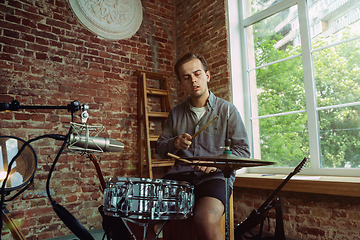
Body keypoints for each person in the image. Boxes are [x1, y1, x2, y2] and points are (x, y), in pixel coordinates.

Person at [156, 53, 250, 240]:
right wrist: (174, 143)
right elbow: (159, 149)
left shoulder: (227, 110)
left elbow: (244, 152)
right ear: (182, 83)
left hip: (215, 178)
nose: (193, 80)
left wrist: (216, 163)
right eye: (186, 77)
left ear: (207, 76)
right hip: (179, 178)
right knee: (141, 213)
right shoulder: (176, 113)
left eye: (197, 74)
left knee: (205, 219)